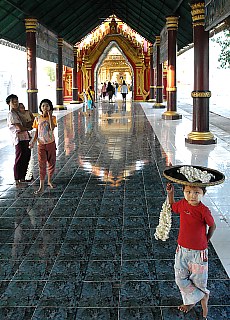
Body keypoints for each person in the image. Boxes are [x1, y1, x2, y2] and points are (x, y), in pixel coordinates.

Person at [166, 182, 216, 319]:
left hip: (198, 253)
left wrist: (206, 239)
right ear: (183, 192)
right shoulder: (183, 204)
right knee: (180, 279)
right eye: (188, 192)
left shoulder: (203, 210)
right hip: (181, 250)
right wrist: (170, 194)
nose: (192, 196)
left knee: (198, 280)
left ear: (203, 194)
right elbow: (172, 207)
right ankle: (202, 296)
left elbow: (213, 226)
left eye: (196, 193)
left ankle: (192, 302)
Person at [30, 99, 57, 194]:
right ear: (40, 108)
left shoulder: (53, 117)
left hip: (50, 143)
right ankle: (41, 187)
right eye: (43, 106)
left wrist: (49, 116)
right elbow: (37, 132)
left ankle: (49, 180)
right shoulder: (37, 118)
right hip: (41, 144)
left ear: (50, 108)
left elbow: (52, 128)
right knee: (41, 164)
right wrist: (33, 141)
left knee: (51, 162)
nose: (45, 108)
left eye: (47, 106)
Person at [6, 94, 31, 186]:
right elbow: (19, 127)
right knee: (20, 158)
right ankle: (17, 179)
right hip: (19, 139)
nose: (15, 103)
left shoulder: (19, 112)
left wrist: (27, 127)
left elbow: (28, 122)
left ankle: (22, 177)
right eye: (13, 102)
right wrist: (28, 128)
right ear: (9, 103)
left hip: (25, 137)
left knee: (26, 156)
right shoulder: (11, 114)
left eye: (16, 101)